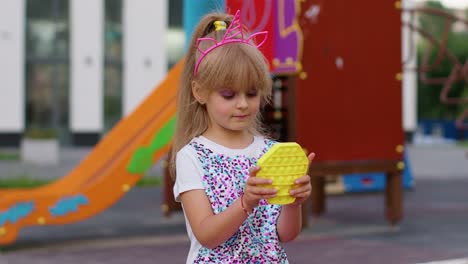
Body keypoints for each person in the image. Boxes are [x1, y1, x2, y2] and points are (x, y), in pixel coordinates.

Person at [170, 9, 315, 263]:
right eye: (229, 95)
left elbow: (285, 235)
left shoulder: (271, 152)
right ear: (199, 92)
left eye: (251, 93)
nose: (242, 104)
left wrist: (293, 202)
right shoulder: (192, 157)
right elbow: (207, 234)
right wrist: (246, 203)